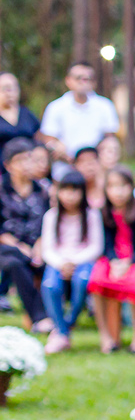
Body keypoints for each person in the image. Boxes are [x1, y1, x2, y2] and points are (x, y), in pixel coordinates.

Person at [89, 165, 135, 354]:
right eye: (113, 186)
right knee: (96, 280)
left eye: (123, 186)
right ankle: (106, 336)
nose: (118, 192)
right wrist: (114, 261)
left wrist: (129, 262)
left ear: (131, 187)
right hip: (112, 259)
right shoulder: (103, 213)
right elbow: (105, 243)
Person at [39, 170, 103, 353]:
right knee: (50, 285)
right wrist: (61, 263)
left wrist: (74, 261)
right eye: (65, 190)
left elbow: (96, 246)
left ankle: (67, 323)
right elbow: (48, 248)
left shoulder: (91, 215)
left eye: (75, 191)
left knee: (82, 281)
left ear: (83, 193)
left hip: (83, 260)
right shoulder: (51, 216)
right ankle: (62, 331)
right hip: (58, 261)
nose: (69, 196)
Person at [0, 138, 52, 332]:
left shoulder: (43, 190)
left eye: (29, 159)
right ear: (8, 165)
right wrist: (21, 247)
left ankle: (48, 317)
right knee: (15, 262)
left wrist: (38, 245)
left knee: (45, 262)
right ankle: (40, 317)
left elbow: (47, 223)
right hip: (7, 247)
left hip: (37, 245)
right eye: (20, 160)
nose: (26, 165)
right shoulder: (1, 189)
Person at [38, 62, 120, 165]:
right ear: (68, 81)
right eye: (79, 78)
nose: (83, 82)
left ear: (94, 83)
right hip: (65, 164)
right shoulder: (55, 107)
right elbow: (48, 139)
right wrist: (57, 147)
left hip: (96, 163)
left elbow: (110, 137)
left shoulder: (105, 106)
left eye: (88, 79)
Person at [0, 72, 41, 162]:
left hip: (29, 166)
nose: (9, 93)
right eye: (4, 89)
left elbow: (39, 139)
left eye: (12, 88)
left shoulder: (27, 114)